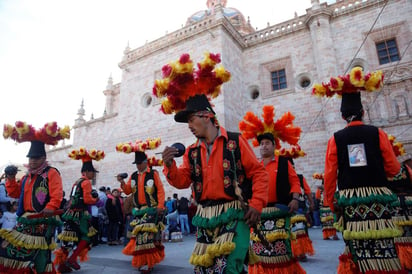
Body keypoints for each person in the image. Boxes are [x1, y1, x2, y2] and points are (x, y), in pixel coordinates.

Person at [157, 52, 268, 273]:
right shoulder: (191, 151)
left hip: (235, 213)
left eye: (191, 119)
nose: (189, 125)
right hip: (205, 217)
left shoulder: (235, 142)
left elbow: (259, 173)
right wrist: (169, 166)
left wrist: (256, 204)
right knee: (206, 270)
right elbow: (182, 181)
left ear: (206, 116)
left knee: (228, 268)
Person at [318, 67, 405, 273]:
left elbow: (330, 175)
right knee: (383, 245)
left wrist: (331, 202)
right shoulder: (378, 133)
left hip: (351, 200)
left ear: (342, 116)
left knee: (356, 246)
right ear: (363, 112)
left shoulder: (335, 139)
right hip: (378, 198)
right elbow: (393, 168)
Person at [239, 105, 306, 273]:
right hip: (258, 213)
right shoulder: (255, 166)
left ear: (273, 145)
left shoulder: (284, 162)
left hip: (280, 210)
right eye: (261, 143)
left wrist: (295, 198)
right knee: (258, 251)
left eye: (267, 143)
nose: (264, 146)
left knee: (280, 250)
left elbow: (295, 182)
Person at [0, 121, 69, 273]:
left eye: (36, 158)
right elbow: (14, 193)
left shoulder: (51, 173)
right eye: (31, 158)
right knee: (12, 251)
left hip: (43, 219)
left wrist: (51, 207)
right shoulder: (26, 177)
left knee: (40, 253)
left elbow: (57, 193)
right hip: (25, 219)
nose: (33, 161)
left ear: (44, 157)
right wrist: (11, 179)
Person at [116, 137, 166, 273]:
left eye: (140, 163)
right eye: (136, 163)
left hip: (151, 209)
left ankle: (148, 263)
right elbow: (127, 190)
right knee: (140, 237)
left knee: (146, 237)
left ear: (145, 162)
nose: (138, 165)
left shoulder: (153, 173)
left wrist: (160, 206)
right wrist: (121, 182)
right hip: (137, 211)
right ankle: (144, 260)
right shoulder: (133, 175)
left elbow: (160, 190)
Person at [54, 147, 103, 272]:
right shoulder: (86, 182)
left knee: (69, 239)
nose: (93, 175)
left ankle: (62, 265)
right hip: (80, 214)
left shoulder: (77, 182)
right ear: (87, 171)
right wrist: (95, 200)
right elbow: (87, 200)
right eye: (93, 172)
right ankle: (72, 259)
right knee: (87, 237)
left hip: (71, 213)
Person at [314, 175, 339, 240]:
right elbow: (335, 198)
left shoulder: (320, 189)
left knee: (326, 222)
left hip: (324, 208)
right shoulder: (330, 188)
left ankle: (327, 235)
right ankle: (332, 235)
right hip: (328, 207)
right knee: (330, 222)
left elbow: (317, 197)